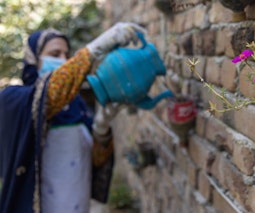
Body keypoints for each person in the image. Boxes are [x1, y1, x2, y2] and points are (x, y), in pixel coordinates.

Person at [0, 22, 146, 213]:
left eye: (66, 55)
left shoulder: (77, 106)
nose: (63, 60)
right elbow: (48, 95)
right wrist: (95, 49)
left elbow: (94, 161)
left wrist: (101, 130)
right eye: (54, 54)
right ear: (33, 58)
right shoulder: (17, 101)